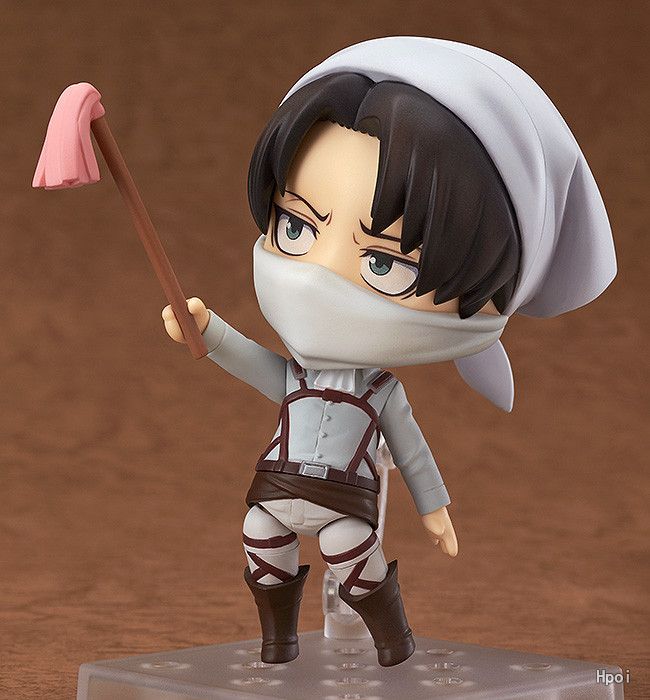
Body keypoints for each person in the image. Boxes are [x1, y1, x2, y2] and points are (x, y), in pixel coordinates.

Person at [161, 37, 616, 667]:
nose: (320, 277)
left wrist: (435, 510)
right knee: (258, 537)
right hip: (278, 484)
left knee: (352, 554)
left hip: (344, 499)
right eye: (296, 227)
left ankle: (393, 642)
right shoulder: (299, 378)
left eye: (383, 262)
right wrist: (208, 332)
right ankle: (278, 641)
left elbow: (412, 453)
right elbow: (257, 366)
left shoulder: (381, 391)